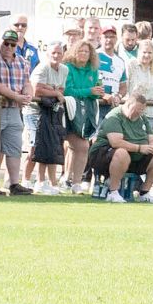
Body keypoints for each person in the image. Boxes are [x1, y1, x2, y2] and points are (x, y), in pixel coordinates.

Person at [87, 93, 153, 204]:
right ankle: (113, 192)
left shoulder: (142, 118)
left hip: (134, 157)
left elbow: (152, 139)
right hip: (102, 156)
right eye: (136, 109)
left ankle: (144, 193)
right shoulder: (114, 116)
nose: (139, 113)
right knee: (121, 153)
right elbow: (115, 142)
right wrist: (139, 148)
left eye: (142, 110)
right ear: (127, 104)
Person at [24, 41, 68, 194]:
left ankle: (46, 182)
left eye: (59, 53)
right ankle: (26, 180)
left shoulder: (64, 69)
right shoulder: (42, 67)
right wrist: (54, 92)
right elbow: (37, 90)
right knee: (34, 147)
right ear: (47, 54)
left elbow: (62, 88)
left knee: (50, 145)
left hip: (50, 111)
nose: (56, 55)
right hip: (34, 111)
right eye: (53, 53)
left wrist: (50, 89)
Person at [0, 30, 33, 195]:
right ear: (1, 43)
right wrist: (17, 96)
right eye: (6, 43)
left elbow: (27, 82)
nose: (9, 47)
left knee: (14, 147)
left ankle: (14, 183)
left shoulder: (23, 62)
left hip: (14, 110)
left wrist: (28, 94)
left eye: (13, 44)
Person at [63, 39, 102, 193]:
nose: (84, 54)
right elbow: (68, 91)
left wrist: (97, 93)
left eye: (87, 51)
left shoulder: (93, 69)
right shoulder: (68, 68)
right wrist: (89, 91)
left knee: (81, 147)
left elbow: (94, 91)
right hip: (68, 110)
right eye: (81, 51)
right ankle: (69, 181)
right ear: (74, 52)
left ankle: (74, 182)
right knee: (79, 146)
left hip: (86, 112)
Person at [126, 40, 153, 130]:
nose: (147, 55)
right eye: (144, 52)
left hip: (149, 114)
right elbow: (125, 87)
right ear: (138, 52)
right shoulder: (131, 64)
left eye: (150, 52)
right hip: (133, 113)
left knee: (147, 142)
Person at [97, 25, 128, 120]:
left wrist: (119, 96)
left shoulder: (120, 61)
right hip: (96, 104)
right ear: (100, 38)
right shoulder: (94, 55)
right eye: (106, 37)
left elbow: (123, 86)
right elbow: (88, 80)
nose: (109, 40)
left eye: (112, 37)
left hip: (113, 107)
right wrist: (102, 95)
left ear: (116, 39)